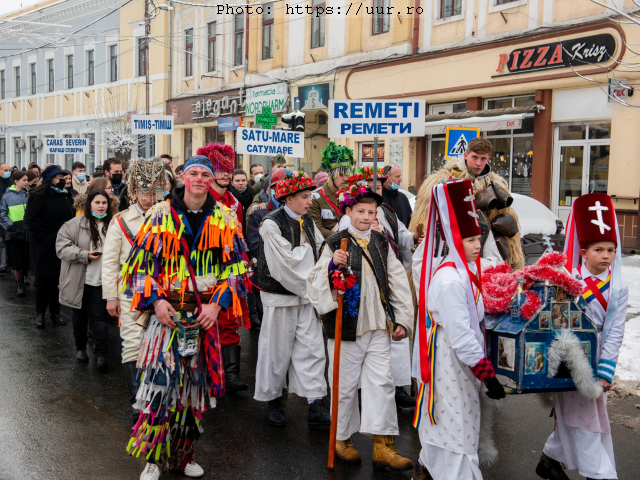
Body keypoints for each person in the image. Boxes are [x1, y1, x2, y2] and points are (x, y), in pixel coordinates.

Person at [121, 154, 248, 480]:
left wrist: (217, 304)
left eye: (205, 174)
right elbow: (137, 270)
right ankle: (153, 459)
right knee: (160, 389)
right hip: (166, 319)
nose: (199, 179)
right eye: (193, 172)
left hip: (203, 319)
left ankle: (183, 455)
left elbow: (235, 272)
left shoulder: (223, 218)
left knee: (192, 394)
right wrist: (156, 302)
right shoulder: (159, 215)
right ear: (182, 177)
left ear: (211, 180)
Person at [308, 182, 414, 470]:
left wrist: (403, 317)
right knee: (344, 385)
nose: (367, 217)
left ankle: (383, 444)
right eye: (361, 211)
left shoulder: (382, 243)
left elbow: (397, 281)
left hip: (378, 325)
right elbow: (315, 285)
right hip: (347, 328)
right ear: (348, 211)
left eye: (372, 212)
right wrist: (332, 269)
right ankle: (342, 438)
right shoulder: (334, 243)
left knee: (382, 383)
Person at [411, 178, 505, 480]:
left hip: (461, 362)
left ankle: (426, 466)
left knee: (459, 421)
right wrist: (486, 373)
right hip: (449, 362)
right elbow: (461, 333)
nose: (478, 246)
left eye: (479, 239)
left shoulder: (467, 271)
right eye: (470, 241)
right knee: (456, 426)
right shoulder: (450, 280)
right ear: (453, 240)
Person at [536, 193, 628, 480]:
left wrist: (606, 369)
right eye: (598, 249)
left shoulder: (619, 289)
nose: (605, 256)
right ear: (583, 251)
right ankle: (598, 473)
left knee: (584, 413)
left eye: (610, 250)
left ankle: (551, 459)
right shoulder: (567, 278)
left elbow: (615, 331)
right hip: (569, 354)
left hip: (598, 357)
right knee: (584, 416)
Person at [337, 167, 419, 410]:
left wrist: (414, 237)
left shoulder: (389, 212)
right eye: (362, 210)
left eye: (380, 188)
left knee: (391, 351)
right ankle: (356, 405)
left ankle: (396, 390)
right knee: (357, 360)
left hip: (386, 290)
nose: (367, 215)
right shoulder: (344, 226)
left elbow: (401, 240)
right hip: (359, 298)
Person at [253, 170, 330, 428]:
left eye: (310, 196)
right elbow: (284, 265)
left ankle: (315, 402)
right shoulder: (270, 223)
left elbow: (322, 251)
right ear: (288, 198)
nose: (309, 202)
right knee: (276, 351)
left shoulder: (307, 220)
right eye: (304, 197)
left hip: (306, 298)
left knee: (312, 349)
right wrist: (309, 257)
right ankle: (274, 399)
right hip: (280, 296)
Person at [102, 157, 165, 420]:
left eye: (154, 192)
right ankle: (137, 395)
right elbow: (109, 262)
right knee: (132, 341)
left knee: (160, 343)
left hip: (162, 288)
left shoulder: (168, 216)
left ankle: (157, 391)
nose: (149, 198)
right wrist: (110, 297)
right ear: (133, 191)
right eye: (144, 192)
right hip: (130, 288)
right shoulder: (120, 221)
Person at [410, 137, 525, 270]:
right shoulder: (442, 180)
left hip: (484, 248)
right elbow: (426, 216)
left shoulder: (496, 184)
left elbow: (506, 222)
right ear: (465, 155)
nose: (478, 163)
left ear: (488, 159)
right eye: (474, 157)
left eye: (483, 159)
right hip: (447, 247)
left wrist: (511, 256)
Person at [196, 143, 249, 392]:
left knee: (229, 318)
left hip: (228, 269)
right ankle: (204, 372)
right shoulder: (199, 198)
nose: (227, 174)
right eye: (220, 168)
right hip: (201, 269)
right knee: (200, 321)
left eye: (229, 169)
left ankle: (230, 375)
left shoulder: (234, 202)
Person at [56, 189, 112, 370]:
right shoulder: (74, 224)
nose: (101, 206)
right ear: (89, 204)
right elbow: (62, 248)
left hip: (102, 281)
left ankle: (102, 353)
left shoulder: (114, 224)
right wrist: (84, 254)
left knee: (98, 317)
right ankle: (80, 348)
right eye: (97, 202)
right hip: (78, 279)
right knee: (79, 316)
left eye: (104, 203)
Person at [26, 165, 75, 328]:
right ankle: (40, 314)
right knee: (43, 281)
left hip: (64, 245)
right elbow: (32, 220)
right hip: (45, 245)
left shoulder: (66, 195)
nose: (63, 179)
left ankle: (55, 313)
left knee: (57, 281)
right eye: (59, 176)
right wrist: (42, 239)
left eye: (64, 176)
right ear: (50, 178)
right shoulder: (39, 195)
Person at [308, 142, 354, 238]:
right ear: (331, 174)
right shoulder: (315, 197)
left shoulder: (351, 194)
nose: (345, 179)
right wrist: (344, 238)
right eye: (341, 175)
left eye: (347, 174)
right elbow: (317, 229)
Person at [0, 171, 30, 297]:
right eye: (24, 180)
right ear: (16, 181)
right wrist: (10, 226)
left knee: (26, 259)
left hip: (27, 232)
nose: (26, 182)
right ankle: (19, 283)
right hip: (14, 234)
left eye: (27, 180)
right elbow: (2, 214)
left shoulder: (30, 194)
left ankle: (24, 277)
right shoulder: (7, 196)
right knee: (16, 261)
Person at [0, 162, 13, 275]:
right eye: (5, 170)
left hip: (9, 216)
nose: (8, 172)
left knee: (6, 240)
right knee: (1, 241)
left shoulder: (11, 182)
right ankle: (2, 264)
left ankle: (6, 263)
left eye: (9, 170)